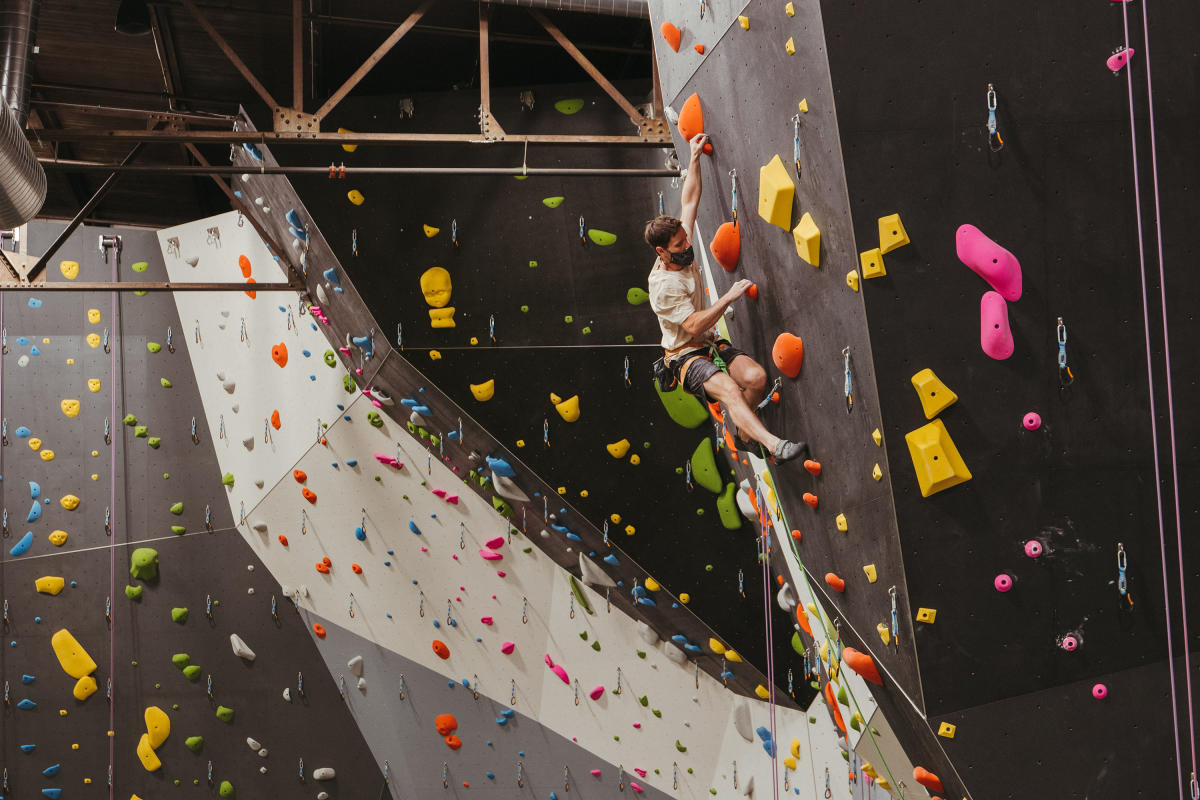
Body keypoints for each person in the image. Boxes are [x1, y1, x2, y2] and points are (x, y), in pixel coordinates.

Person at [645, 133, 809, 463]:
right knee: (730, 391)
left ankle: (745, 434)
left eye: (684, 240)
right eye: (678, 247)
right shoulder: (663, 287)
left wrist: (692, 158)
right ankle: (774, 444)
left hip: (707, 340)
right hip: (683, 355)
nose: (686, 247)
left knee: (756, 379)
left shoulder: (682, 243)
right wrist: (728, 297)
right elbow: (691, 325)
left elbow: (689, 200)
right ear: (661, 252)